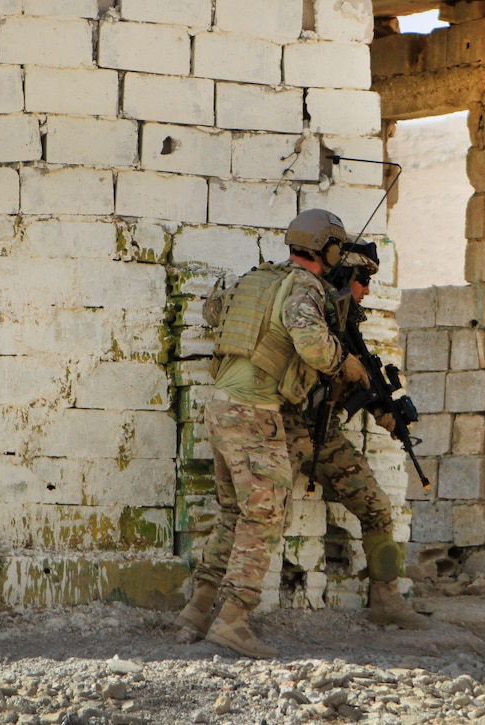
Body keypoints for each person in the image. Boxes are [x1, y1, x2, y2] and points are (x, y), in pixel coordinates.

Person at [175, 209, 370, 659]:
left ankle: (197, 612)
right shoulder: (303, 287)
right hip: (254, 412)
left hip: (221, 404)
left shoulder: (258, 278)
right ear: (331, 248)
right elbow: (313, 346)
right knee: (264, 515)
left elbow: (213, 311)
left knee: (234, 512)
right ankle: (233, 620)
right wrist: (346, 362)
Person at [282, 238, 431, 630]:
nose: (366, 289)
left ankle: (386, 599)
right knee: (257, 519)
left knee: (378, 508)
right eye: (362, 278)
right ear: (345, 274)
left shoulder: (346, 319)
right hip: (281, 428)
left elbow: (351, 376)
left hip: (323, 433)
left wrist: (380, 406)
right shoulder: (310, 305)